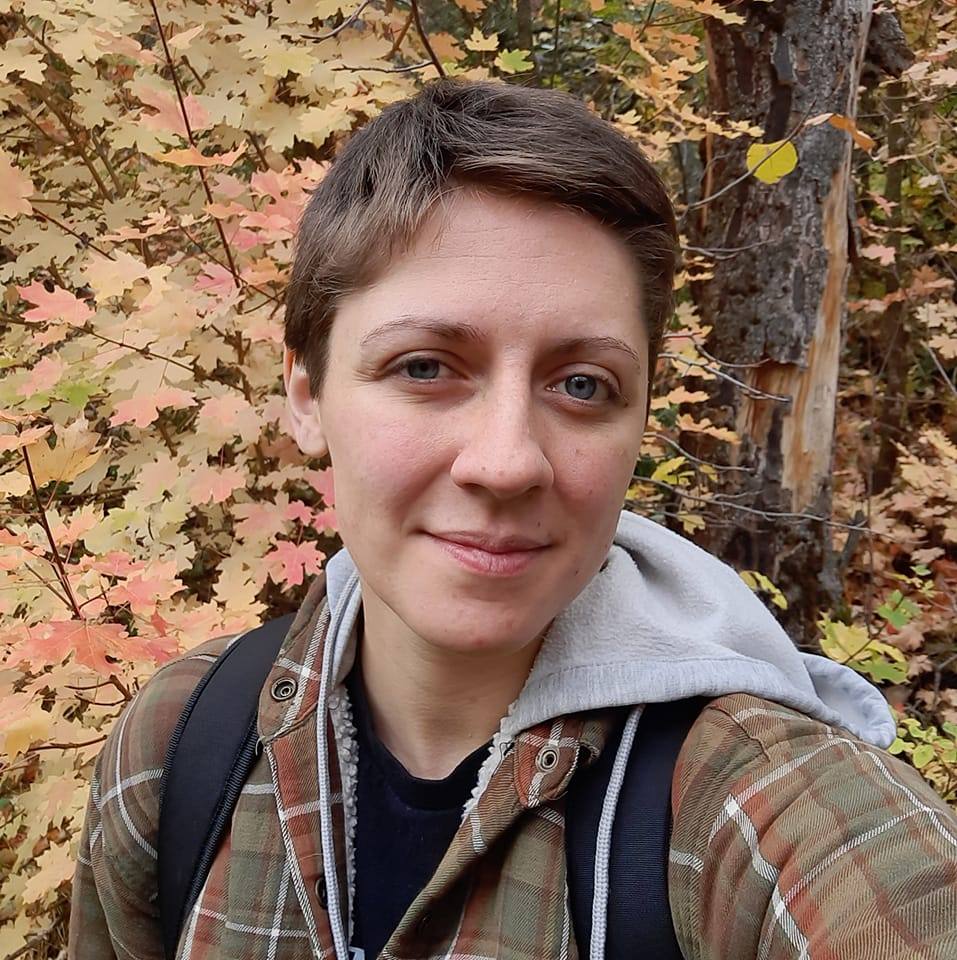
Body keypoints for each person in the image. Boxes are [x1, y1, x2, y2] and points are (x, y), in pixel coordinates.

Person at [69, 77, 957, 960]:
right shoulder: (182, 743)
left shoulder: (754, 803)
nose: (506, 463)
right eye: (424, 367)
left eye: (582, 385)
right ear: (306, 395)